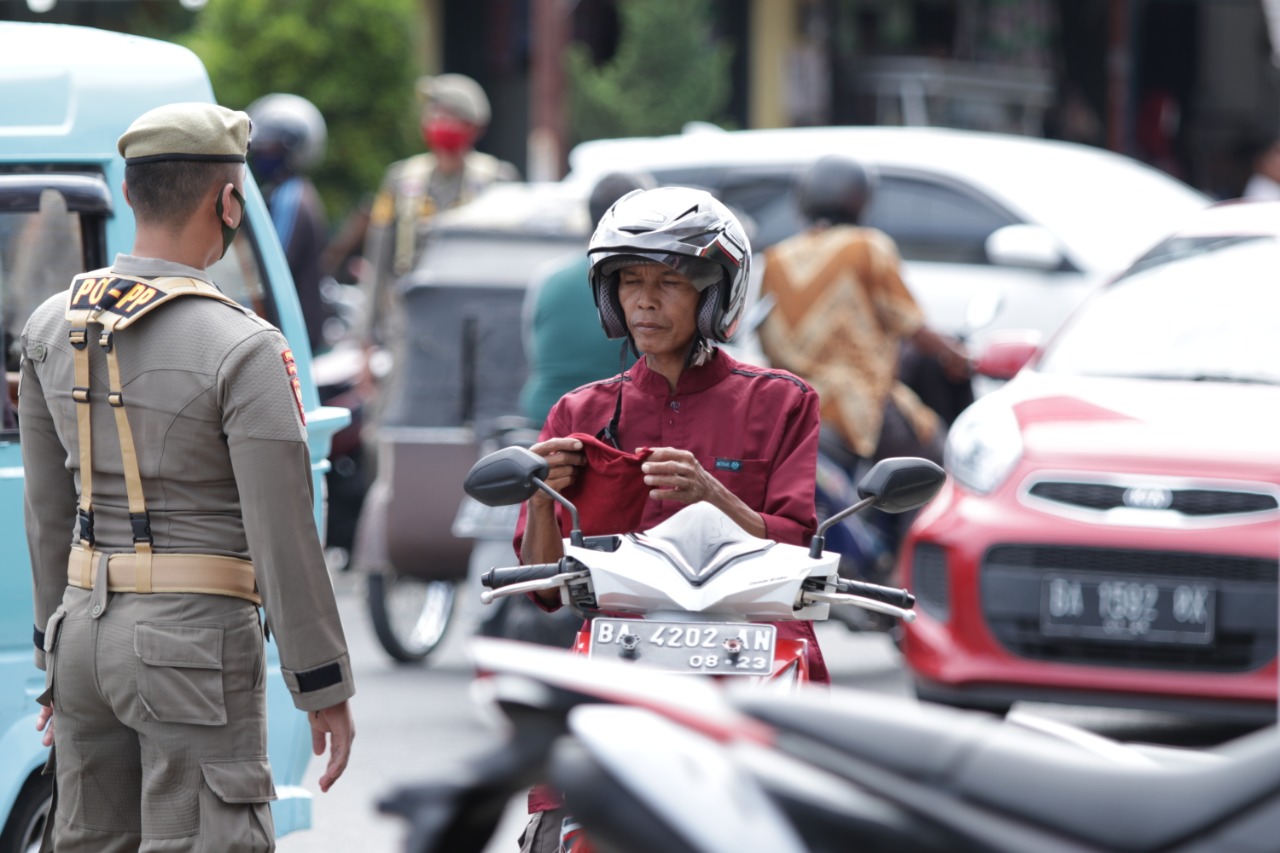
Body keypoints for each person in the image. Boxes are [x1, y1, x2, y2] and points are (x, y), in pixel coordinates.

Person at [19, 102, 355, 851]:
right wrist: (322, 683)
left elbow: (48, 513)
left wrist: (52, 650)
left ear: (132, 194)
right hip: (193, 643)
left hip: (80, 633)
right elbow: (284, 531)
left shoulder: (49, 325)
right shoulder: (242, 345)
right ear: (227, 200)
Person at [513, 186, 822, 853]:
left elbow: (798, 543)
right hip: (623, 652)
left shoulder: (784, 401)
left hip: (758, 650)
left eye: (669, 282)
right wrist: (541, 495)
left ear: (716, 294)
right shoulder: (579, 413)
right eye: (629, 281)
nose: (644, 300)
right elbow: (541, 587)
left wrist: (716, 496)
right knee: (553, 825)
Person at [758, 154, 970, 475]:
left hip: (794, 403)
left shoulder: (775, 257)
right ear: (860, 199)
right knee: (937, 459)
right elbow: (910, 323)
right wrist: (958, 355)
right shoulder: (866, 247)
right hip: (854, 403)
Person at [358, 72, 520, 354]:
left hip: (476, 326)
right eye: (432, 113)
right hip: (409, 326)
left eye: (446, 114)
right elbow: (378, 260)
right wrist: (364, 339)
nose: (435, 122)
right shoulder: (401, 179)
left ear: (472, 126)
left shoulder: (498, 180)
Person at [518, 171, 654, 426]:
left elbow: (534, 351)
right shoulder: (652, 286)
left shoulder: (548, 278)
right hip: (621, 423)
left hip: (544, 418)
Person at [246, 92, 333, 353]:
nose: (262, 152)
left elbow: (272, 264)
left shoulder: (291, 197)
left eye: (271, 147)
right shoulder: (286, 192)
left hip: (294, 340)